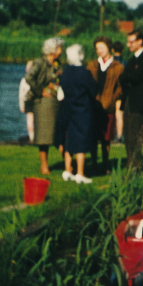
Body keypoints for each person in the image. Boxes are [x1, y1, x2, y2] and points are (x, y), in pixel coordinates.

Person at [57, 44, 97, 184]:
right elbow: (93, 91)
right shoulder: (85, 73)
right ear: (81, 55)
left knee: (68, 140)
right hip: (82, 110)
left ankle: (68, 170)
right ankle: (80, 173)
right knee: (81, 141)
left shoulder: (66, 72)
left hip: (67, 108)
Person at [118, 30, 143, 173]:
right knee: (128, 136)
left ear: (140, 41)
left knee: (135, 136)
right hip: (129, 101)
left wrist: (126, 76)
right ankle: (130, 167)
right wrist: (127, 77)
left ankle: (135, 169)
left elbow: (135, 77)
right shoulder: (133, 60)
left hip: (139, 103)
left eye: (131, 42)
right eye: (128, 42)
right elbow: (124, 78)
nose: (128, 45)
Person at [25, 38, 64, 175]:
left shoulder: (58, 64)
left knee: (59, 134)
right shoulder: (40, 63)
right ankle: (44, 166)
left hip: (55, 102)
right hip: (41, 103)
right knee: (44, 136)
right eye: (59, 48)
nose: (61, 50)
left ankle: (68, 163)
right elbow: (29, 77)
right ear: (52, 50)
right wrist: (40, 90)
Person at [87, 36, 124, 173]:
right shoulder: (91, 66)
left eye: (101, 47)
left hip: (108, 107)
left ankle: (105, 164)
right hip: (93, 106)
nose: (99, 51)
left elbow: (121, 88)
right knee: (93, 137)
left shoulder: (118, 67)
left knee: (106, 139)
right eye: (97, 48)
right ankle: (94, 164)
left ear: (109, 47)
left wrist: (113, 99)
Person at [18, 60, 35, 143]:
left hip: (28, 101)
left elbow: (21, 94)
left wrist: (21, 106)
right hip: (37, 100)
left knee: (29, 120)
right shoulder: (38, 79)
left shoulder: (24, 80)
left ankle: (32, 138)